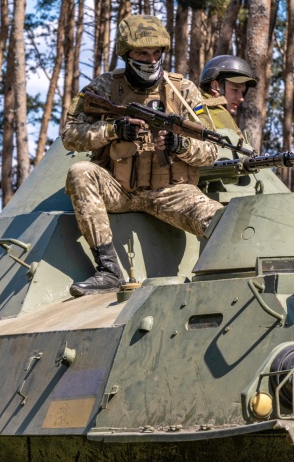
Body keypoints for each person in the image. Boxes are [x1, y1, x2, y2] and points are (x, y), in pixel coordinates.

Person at [62, 14, 221, 297]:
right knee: (80, 173)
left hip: (170, 193)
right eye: (142, 52)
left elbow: (210, 151)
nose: (150, 59)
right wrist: (113, 130)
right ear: (126, 54)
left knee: (222, 220)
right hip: (119, 189)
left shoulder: (183, 90)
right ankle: (109, 270)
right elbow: (70, 135)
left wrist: (179, 145)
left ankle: (218, 287)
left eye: (156, 52)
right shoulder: (103, 87)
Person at [195, 55, 257, 133]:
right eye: (235, 90)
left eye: (242, 92)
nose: (241, 98)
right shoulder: (212, 113)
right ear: (215, 86)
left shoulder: (201, 107)